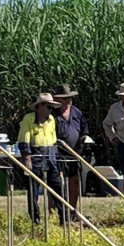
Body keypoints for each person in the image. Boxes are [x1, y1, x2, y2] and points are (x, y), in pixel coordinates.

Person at [17, 92, 67, 225]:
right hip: (36, 155)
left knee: (57, 186)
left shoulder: (51, 120)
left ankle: (64, 217)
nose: (50, 110)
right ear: (39, 107)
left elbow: (53, 139)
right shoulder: (28, 119)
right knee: (33, 188)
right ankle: (35, 219)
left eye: (52, 107)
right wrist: (27, 157)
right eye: (48, 107)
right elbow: (24, 139)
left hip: (51, 154)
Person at [52, 83, 88, 213]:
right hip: (57, 153)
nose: (68, 100)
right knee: (56, 182)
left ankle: (73, 211)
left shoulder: (77, 112)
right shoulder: (53, 115)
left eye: (69, 98)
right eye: (65, 98)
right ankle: (56, 210)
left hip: (75, 152)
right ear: (58, 99)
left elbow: (84, 129)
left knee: (74, 181)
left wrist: (83, 140)